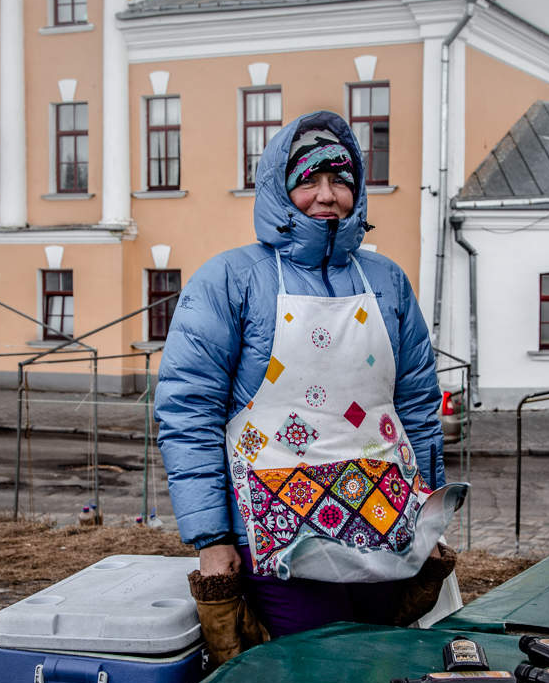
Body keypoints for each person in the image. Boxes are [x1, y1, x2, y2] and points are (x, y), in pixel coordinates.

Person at [155, 111, 455, 651]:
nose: (326, 195)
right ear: (279, 187)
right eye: (307, 180)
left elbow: (417, 406)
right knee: (306, 680)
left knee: (380, 670)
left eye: (340, 179)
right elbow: (188, 413)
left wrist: (429, 518)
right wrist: (212, 539)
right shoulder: (231, 279)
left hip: (386, 527)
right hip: (278, 538)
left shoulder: (386, 280)